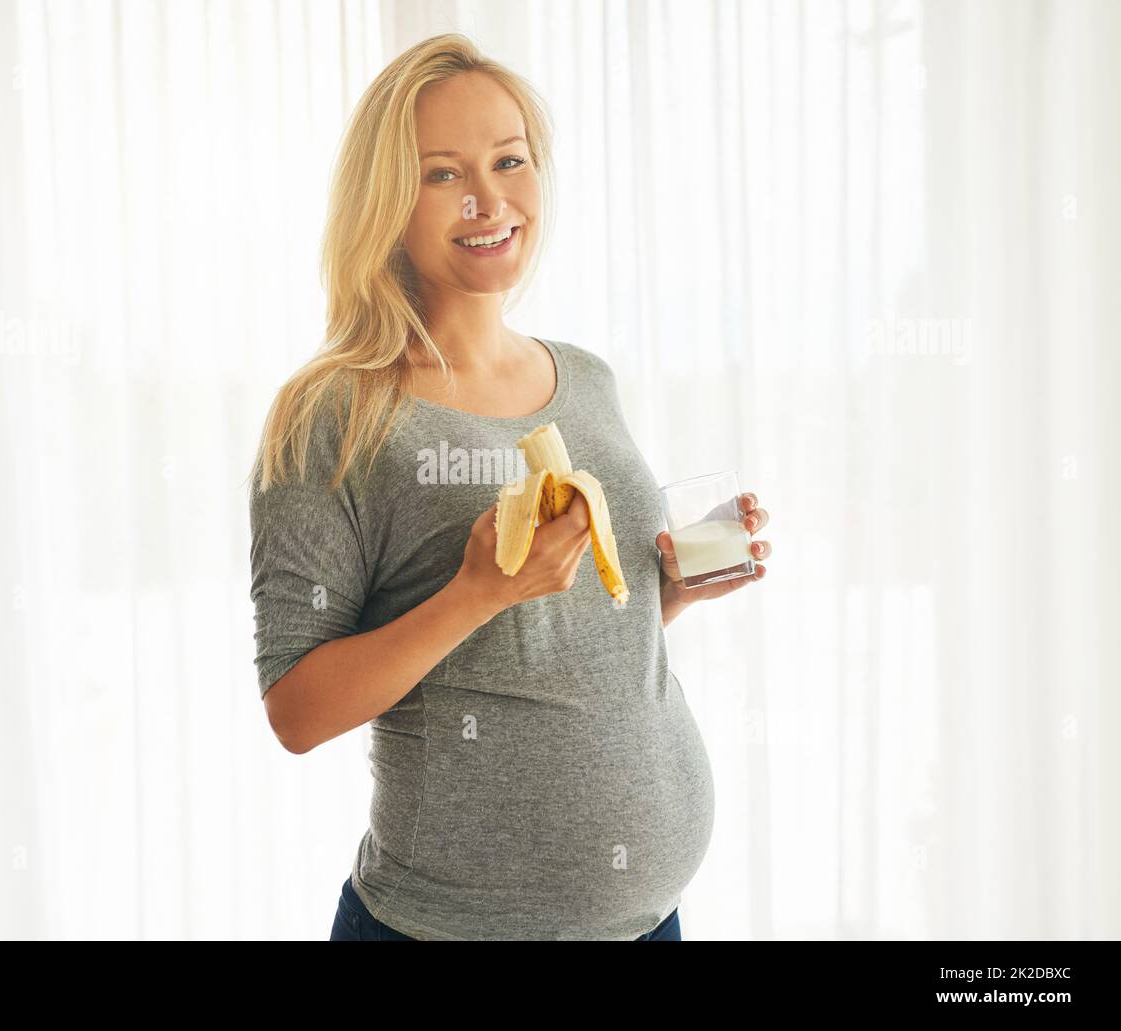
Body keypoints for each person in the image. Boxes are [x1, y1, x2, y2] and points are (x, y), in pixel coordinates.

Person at [247, 33, 773, 941]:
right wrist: (475, 592)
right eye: (443, 173)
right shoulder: (336, 412)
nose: (489, 199)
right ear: (388, 202)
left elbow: (553, 636)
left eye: (510, 159)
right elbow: (296, 707)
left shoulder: (586, 378)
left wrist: (667, 592)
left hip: (647, 922)